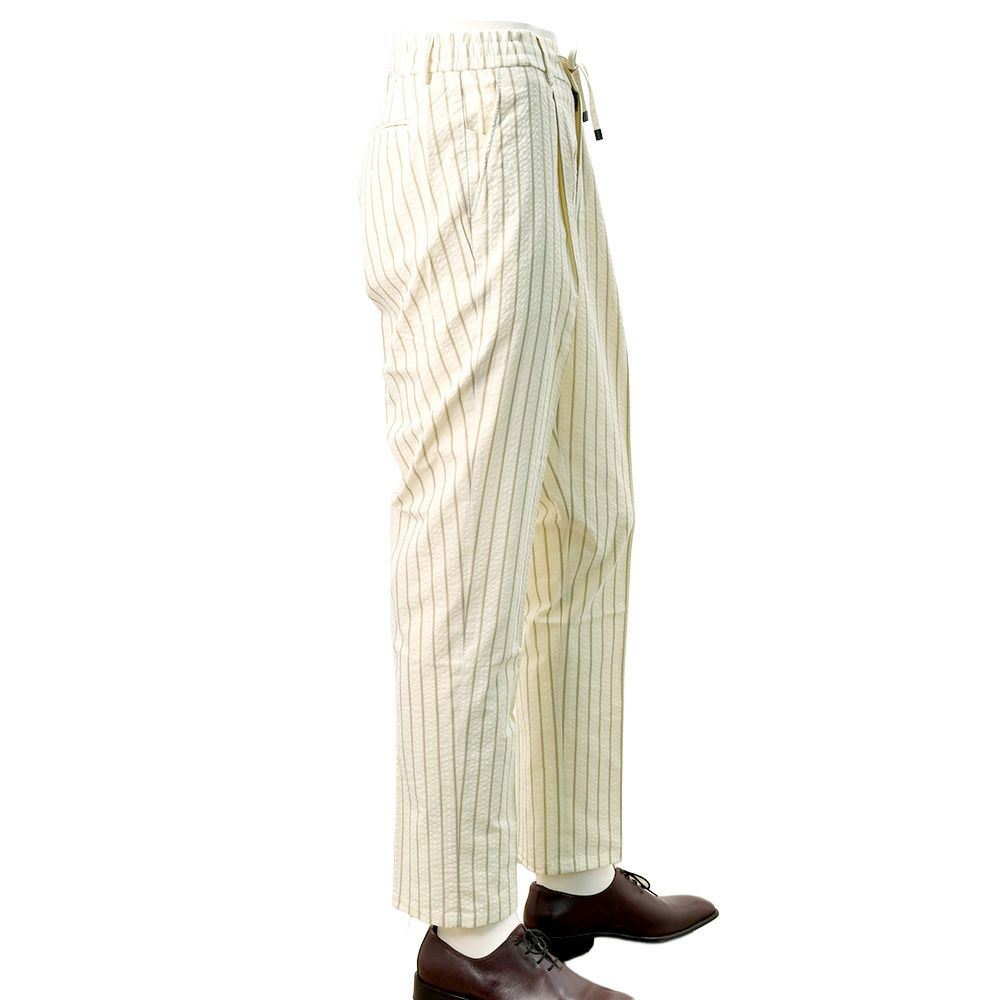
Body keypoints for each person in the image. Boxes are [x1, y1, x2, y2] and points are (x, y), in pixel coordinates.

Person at [357, 21, 717, 999]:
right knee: (465, 538)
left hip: (545, 110)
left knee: (592, 511)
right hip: (470, 114)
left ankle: (573, 878)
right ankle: (466, 938)